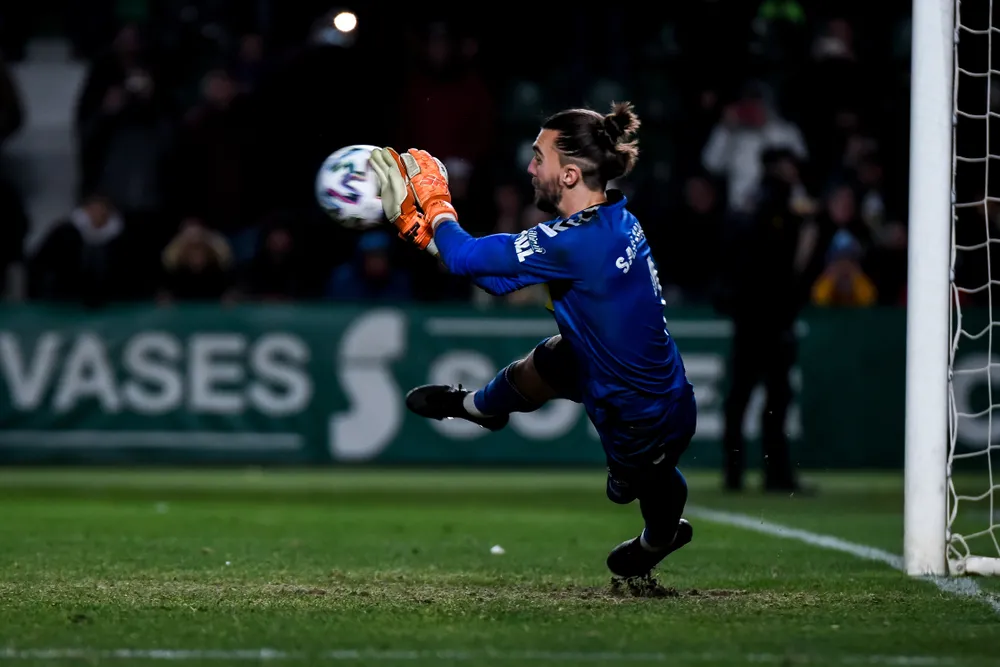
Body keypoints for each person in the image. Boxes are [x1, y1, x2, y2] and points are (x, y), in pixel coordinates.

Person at [368, 102, 697, 579]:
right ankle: (478, 407)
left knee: (641, 484)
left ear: (567, 175)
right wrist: (430, 239)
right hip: (605, 367)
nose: (530, 167)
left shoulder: (576, 242)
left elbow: (470, 261)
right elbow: (497, 276)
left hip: (642, 411)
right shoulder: (609, 218)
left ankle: (658, 540)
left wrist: (436, 207)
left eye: (538, 157)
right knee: (548, 359)